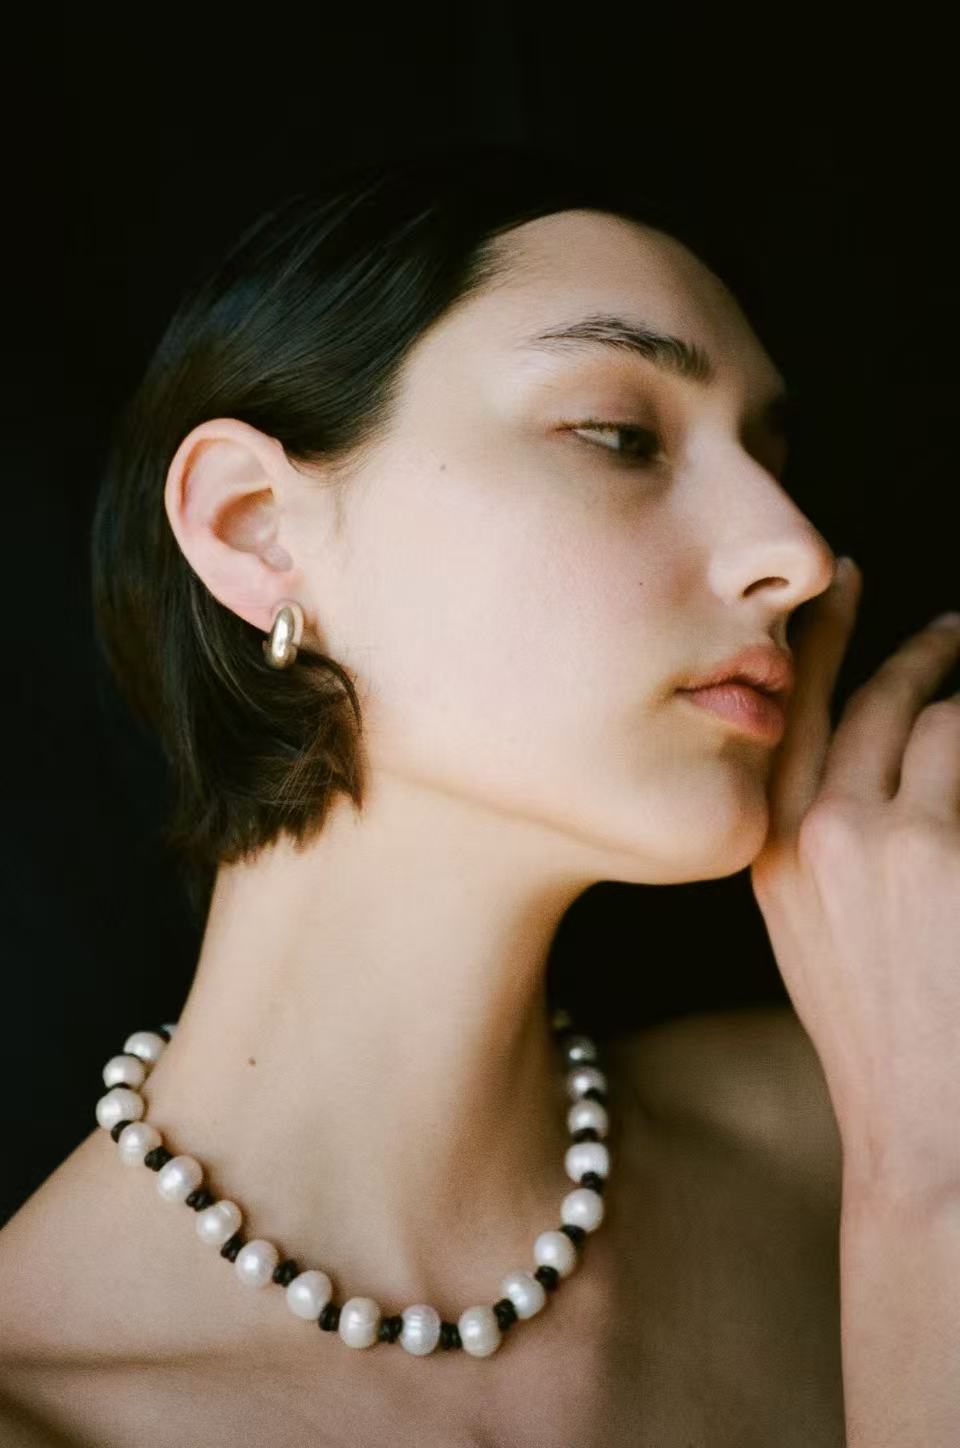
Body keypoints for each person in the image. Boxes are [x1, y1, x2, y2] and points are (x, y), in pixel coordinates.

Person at [0, 139, 852, 1446]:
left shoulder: (865, 1113)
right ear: (254, 526)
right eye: (620, 437)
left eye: (774, 461)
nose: (799, 553)